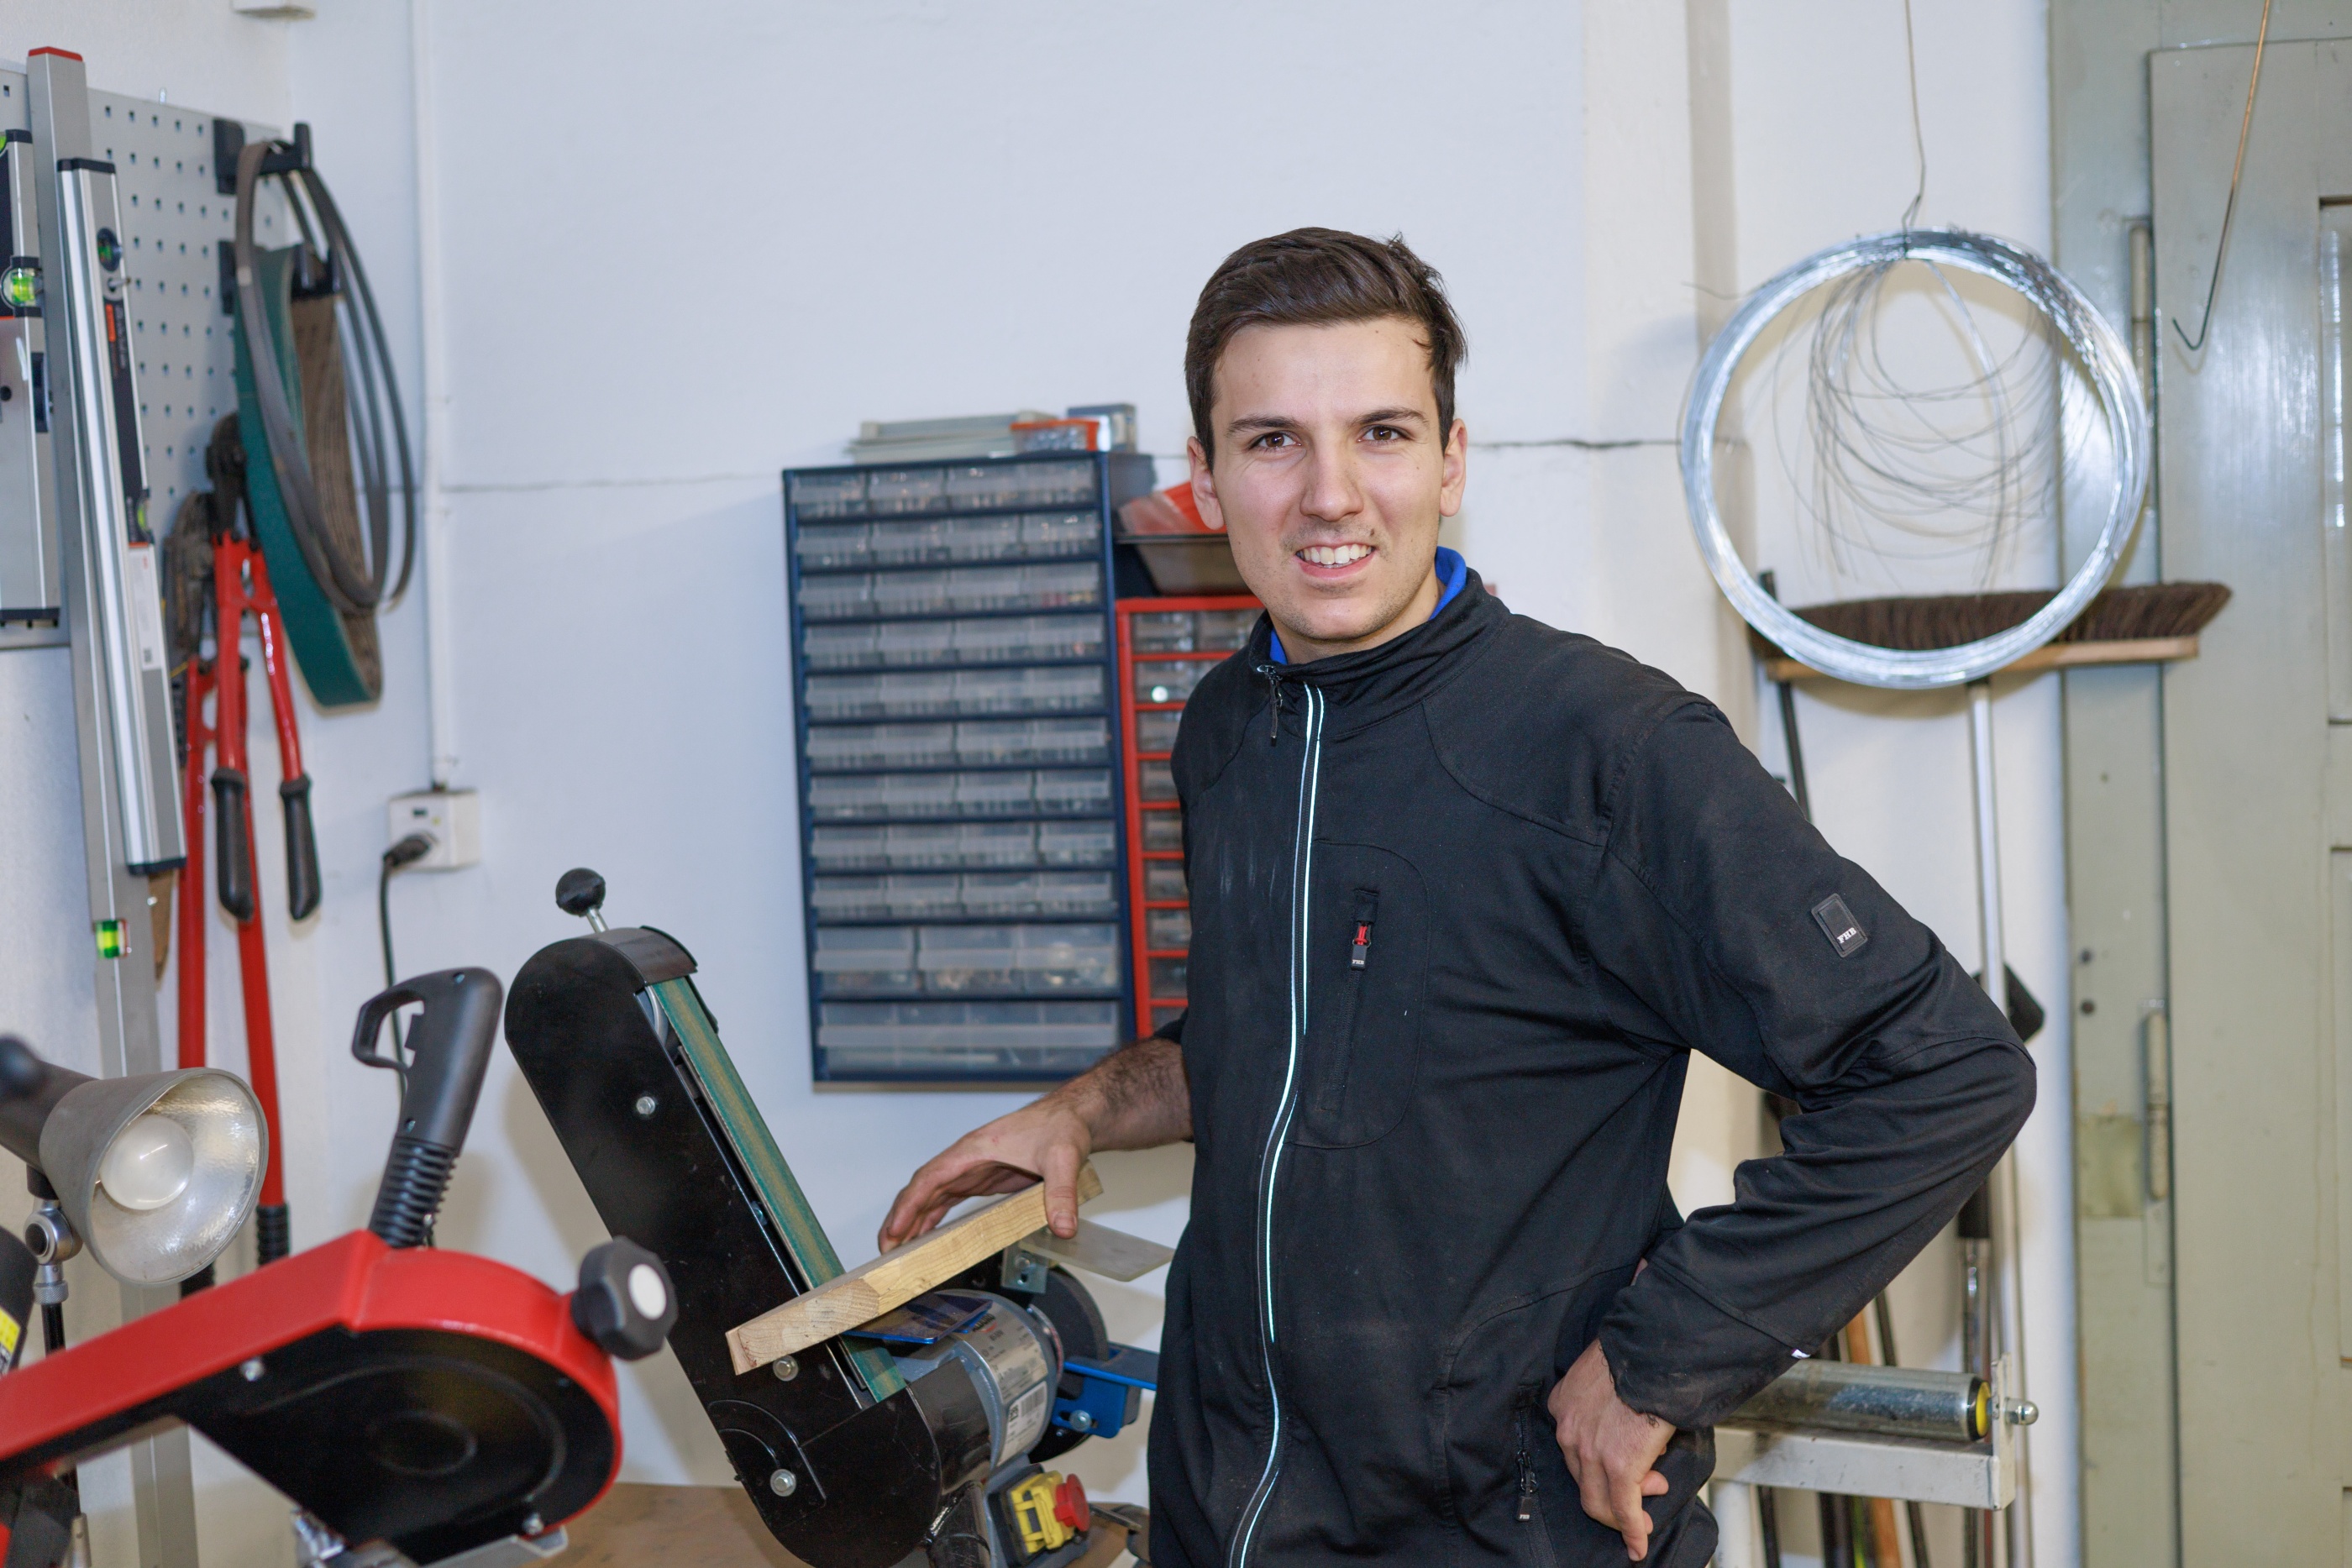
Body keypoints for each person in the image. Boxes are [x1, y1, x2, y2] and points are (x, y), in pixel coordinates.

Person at [880, 228, 2034, 1567]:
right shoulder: (1227, 730)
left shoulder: (1605, 749)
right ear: (1205, 479)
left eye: (1380, 433)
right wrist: (1083, 1109)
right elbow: (1291, 1044)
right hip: (1222, 1514)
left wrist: (1657, 1360)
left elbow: (1943, 1073)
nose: (1330, 496)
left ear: (1451, 462)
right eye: (1272, 441)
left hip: (1497, 1528)